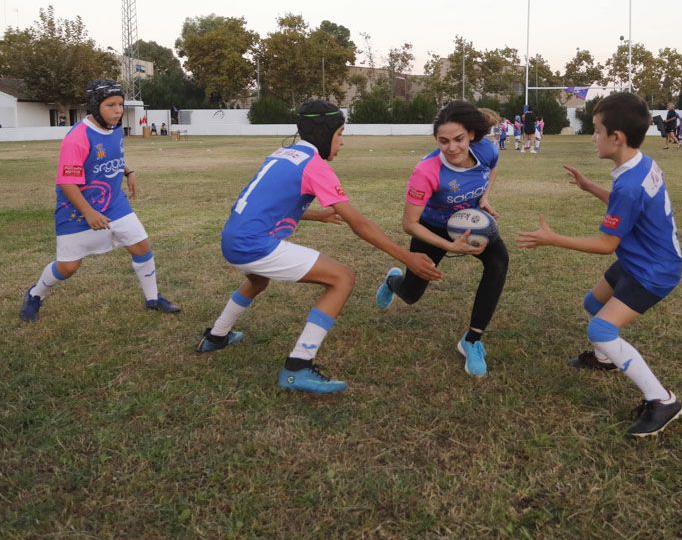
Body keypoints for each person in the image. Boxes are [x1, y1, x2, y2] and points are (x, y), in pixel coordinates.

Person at [196, 100, 443, 394]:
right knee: (343, 277)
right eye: (340, 134)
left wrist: (317, 215)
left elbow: (268, 203)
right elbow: (359, 224)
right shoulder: (315, 166)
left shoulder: (281, 154)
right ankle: (298, 366)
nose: (342, 142)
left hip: (233, 239)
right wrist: (407, 257)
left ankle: (216, 335)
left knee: (257, 279)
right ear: (325, 133)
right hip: (254, 245)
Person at [517, 92, 682, 437]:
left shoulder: (630, 184)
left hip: (653, 271)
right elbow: (628, 208)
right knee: (592, 303)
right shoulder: (642, 164)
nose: (593, 137)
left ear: (616, 137)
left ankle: (663, 400)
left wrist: (553, 238)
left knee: (601, 329)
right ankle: (606, 358)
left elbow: (607, 244)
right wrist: (590, 186)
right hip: (640, 258)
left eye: (596, 130)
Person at [20, 79, 181, 322]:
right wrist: (88, 212)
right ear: (95, 106)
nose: (118, 111)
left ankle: (153, 298)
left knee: (141, 246)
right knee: (68, 267)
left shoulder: (114, 128)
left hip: (114, 202)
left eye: (120, 104)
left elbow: (106, 157)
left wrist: (128, 171)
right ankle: (35, 294)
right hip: (77, 209)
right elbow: (67, 182)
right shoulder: (78, 137)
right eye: (111, 105)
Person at [374, 101, 509, 378]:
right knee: (411, 295)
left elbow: (493, 168)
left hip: (470, 223)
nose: (452, 148)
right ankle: (392, 280)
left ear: (471, 134)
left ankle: (471, 340)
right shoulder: (426, 171)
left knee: (498, 263)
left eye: (458, 139)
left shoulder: (486, 150)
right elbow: (409, 224)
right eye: (443, 141)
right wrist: (449, 246)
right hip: (432, 229)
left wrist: (484, 197)